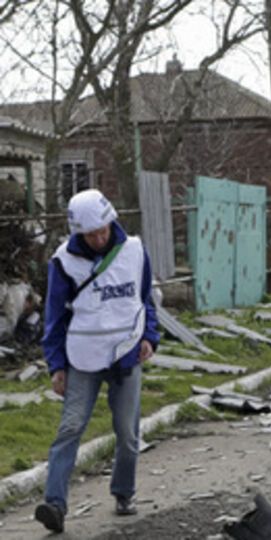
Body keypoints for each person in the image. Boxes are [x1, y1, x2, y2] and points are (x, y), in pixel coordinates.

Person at [35, 189, 159, 533]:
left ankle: (123, 493)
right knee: (70, 427)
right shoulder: (64, 261)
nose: (99, 238)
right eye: (91, 234)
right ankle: (55, 504)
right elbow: (54, 317)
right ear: (78, 232)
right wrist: (56, 366)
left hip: (126, 352)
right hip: (82, 357)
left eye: (103, 230)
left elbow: (145, 296)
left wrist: (150, 336)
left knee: (127, 433)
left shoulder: (134, 250)